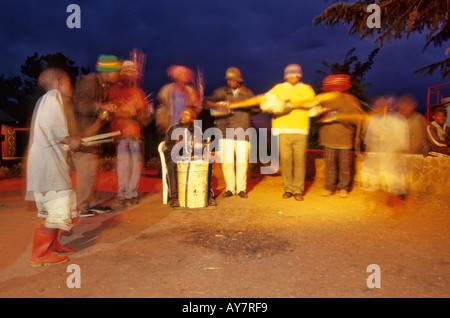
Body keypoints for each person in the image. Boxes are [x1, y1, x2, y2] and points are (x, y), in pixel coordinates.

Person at [26, 68, 82, 266]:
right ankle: (39, 253)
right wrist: (70, 140)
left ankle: (53, 244)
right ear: (58, 82)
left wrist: (67, 145)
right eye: (68, 82)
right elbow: (56, 130)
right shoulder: (53, 97)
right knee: (59, 205)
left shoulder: (43, 100)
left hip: (43, 162)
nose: (71, 86)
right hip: (48, 165)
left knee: (53, 208)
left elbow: (48, 134)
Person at [72, 55, 122, 217]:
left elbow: (99, 109)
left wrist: (107, 112)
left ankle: (89, 202)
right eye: (116, 71)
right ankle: (81, 205)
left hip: (91, 134)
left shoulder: (102, 86)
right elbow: (80, 106)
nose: (118, 75)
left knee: (91, 168)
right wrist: (101, 106)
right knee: (85, 169)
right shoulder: (89, 82)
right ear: (107, 71)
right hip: (81, 133)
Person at [205, 67, 259, 198]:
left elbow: (256, 110)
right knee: (227, 162)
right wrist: (219, 105)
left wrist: (251, 105)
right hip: (224, 132)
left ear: (239, 80)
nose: (231, 82)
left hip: (243, 131)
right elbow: (207, 103)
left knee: (242, 162)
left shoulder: (247, 93)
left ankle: (241, 189)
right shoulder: (220, 92)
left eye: (234, 80)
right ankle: (230, 188)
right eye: (229, 80)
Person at [108, 60, 153, 205]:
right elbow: (112, 111)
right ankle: (122, 193)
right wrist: (128, 110)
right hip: (121, 133)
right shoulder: (114, 90)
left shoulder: (138, 93)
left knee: (136, 165)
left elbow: (145, 115)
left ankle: (131, 192)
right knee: (124, 164)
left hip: (135, 134)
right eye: (127, 73)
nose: (130, 76)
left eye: (133, 74)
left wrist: (142, 113)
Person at [315, 74, 364, 198]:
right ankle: (329, 187)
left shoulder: (351, 100)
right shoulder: (324, 99)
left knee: (344, 165)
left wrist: (343, 117)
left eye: (339, 87)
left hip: (345, 138)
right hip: (328, 137)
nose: (337, 90)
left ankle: (343, 187)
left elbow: (358, 119)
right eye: (334, 87)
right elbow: (315, 114)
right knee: (330, 164)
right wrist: (323, 115)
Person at [360, 96, 409, 212]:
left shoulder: (400, 121)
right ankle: (372, 204)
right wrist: (369, 155)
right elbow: (369, 139)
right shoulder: (373, 120)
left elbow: (402, 141)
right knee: (371, 180)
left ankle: (397, 207)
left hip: (391, 156)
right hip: (376, 155)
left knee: (395, 182)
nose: (387, 108)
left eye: (391, 105)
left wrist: (396, 155)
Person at [163, 106, 215, 208]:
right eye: (182, 113)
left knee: (207, 161)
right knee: (172, 162)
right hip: (176, 155)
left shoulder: (196, 130)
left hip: (192, 155)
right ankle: (174, 197)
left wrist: (200, 146)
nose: (182, 116)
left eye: (186, 114)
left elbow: (201, 145)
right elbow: (169, 145)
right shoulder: (173, 128)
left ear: (192, 119)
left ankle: (208, 195)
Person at [155, 65, 201, 133]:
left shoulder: (190, 91)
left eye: (186, 74)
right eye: (182, 74)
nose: (186, 76)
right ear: (176, 77)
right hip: (170, 128)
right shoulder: (166, 90)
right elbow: (160, 109)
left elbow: (197, 109)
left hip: (185, 129)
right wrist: (161, 123)